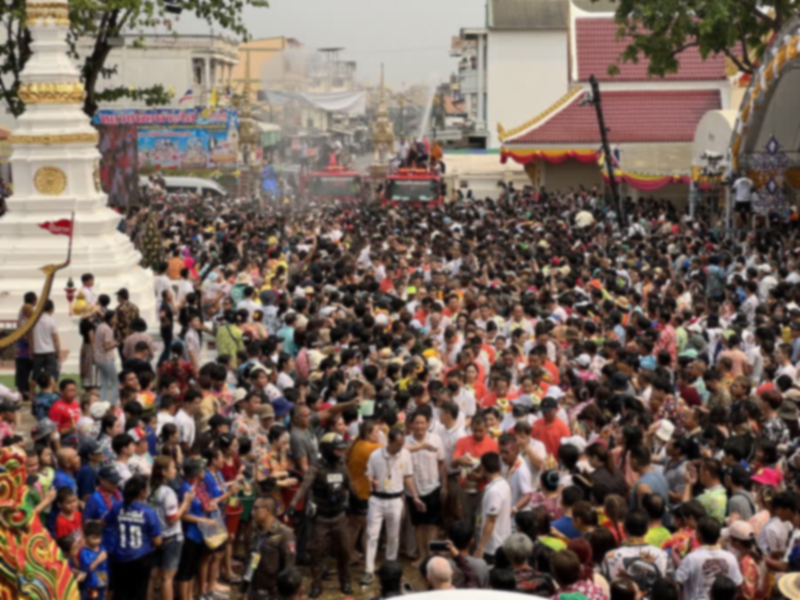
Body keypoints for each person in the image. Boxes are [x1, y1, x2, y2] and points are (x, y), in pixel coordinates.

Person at [287, 432, 353, 597]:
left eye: (341, 449)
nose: (340, 452)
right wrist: (293, 503)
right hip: (321, 518)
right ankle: (316, 584)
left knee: (345, 551)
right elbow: (305, 485)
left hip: (339, 516)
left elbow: (349, 483)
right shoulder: (316, 466)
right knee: (317, 553)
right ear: (327, 449)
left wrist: (360, 498)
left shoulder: (342, 463)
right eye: (337, 449)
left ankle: (345, 581)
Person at [362, 428, 424, 585]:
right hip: (377, 498)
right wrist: (371, 481)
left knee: (393, 536)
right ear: (389, 441)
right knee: (372, 534)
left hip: (396, 499)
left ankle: (390, 567)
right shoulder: (376, 455)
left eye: (402, 443)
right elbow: (368, 474)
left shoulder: (405, 454)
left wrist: (415, 496)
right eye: (397, 444)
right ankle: (369, 570)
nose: (400, 447)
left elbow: (408, 476)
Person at [104, 475, 162, 600]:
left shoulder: (117, 507)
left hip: (120, 556)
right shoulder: (148, 512)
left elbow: (105, 522)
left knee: (120, 592)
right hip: (141, 557)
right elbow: (157, 540)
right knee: (138, 593)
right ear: (142, 492)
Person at [675, 516, 742, 600]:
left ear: (698, 536)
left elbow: (677, 582)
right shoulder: (731, 558)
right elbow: (737, 584)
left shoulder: (691, 558)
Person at [245, 495, 296, 600]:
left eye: (256, 508)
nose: (252, 512)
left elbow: (289, 568)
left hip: (274, 594)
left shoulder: (285, 534)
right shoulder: (254, 531)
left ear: (267, 510)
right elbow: (250, 563)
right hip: (255, 592)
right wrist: (243, 589)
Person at [475, 451, 512, 564]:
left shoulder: (494, 491)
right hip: (502, 541)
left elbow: (491, 521)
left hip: (493, 546)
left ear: (483, 468)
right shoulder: (504, 484)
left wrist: (481, 547)